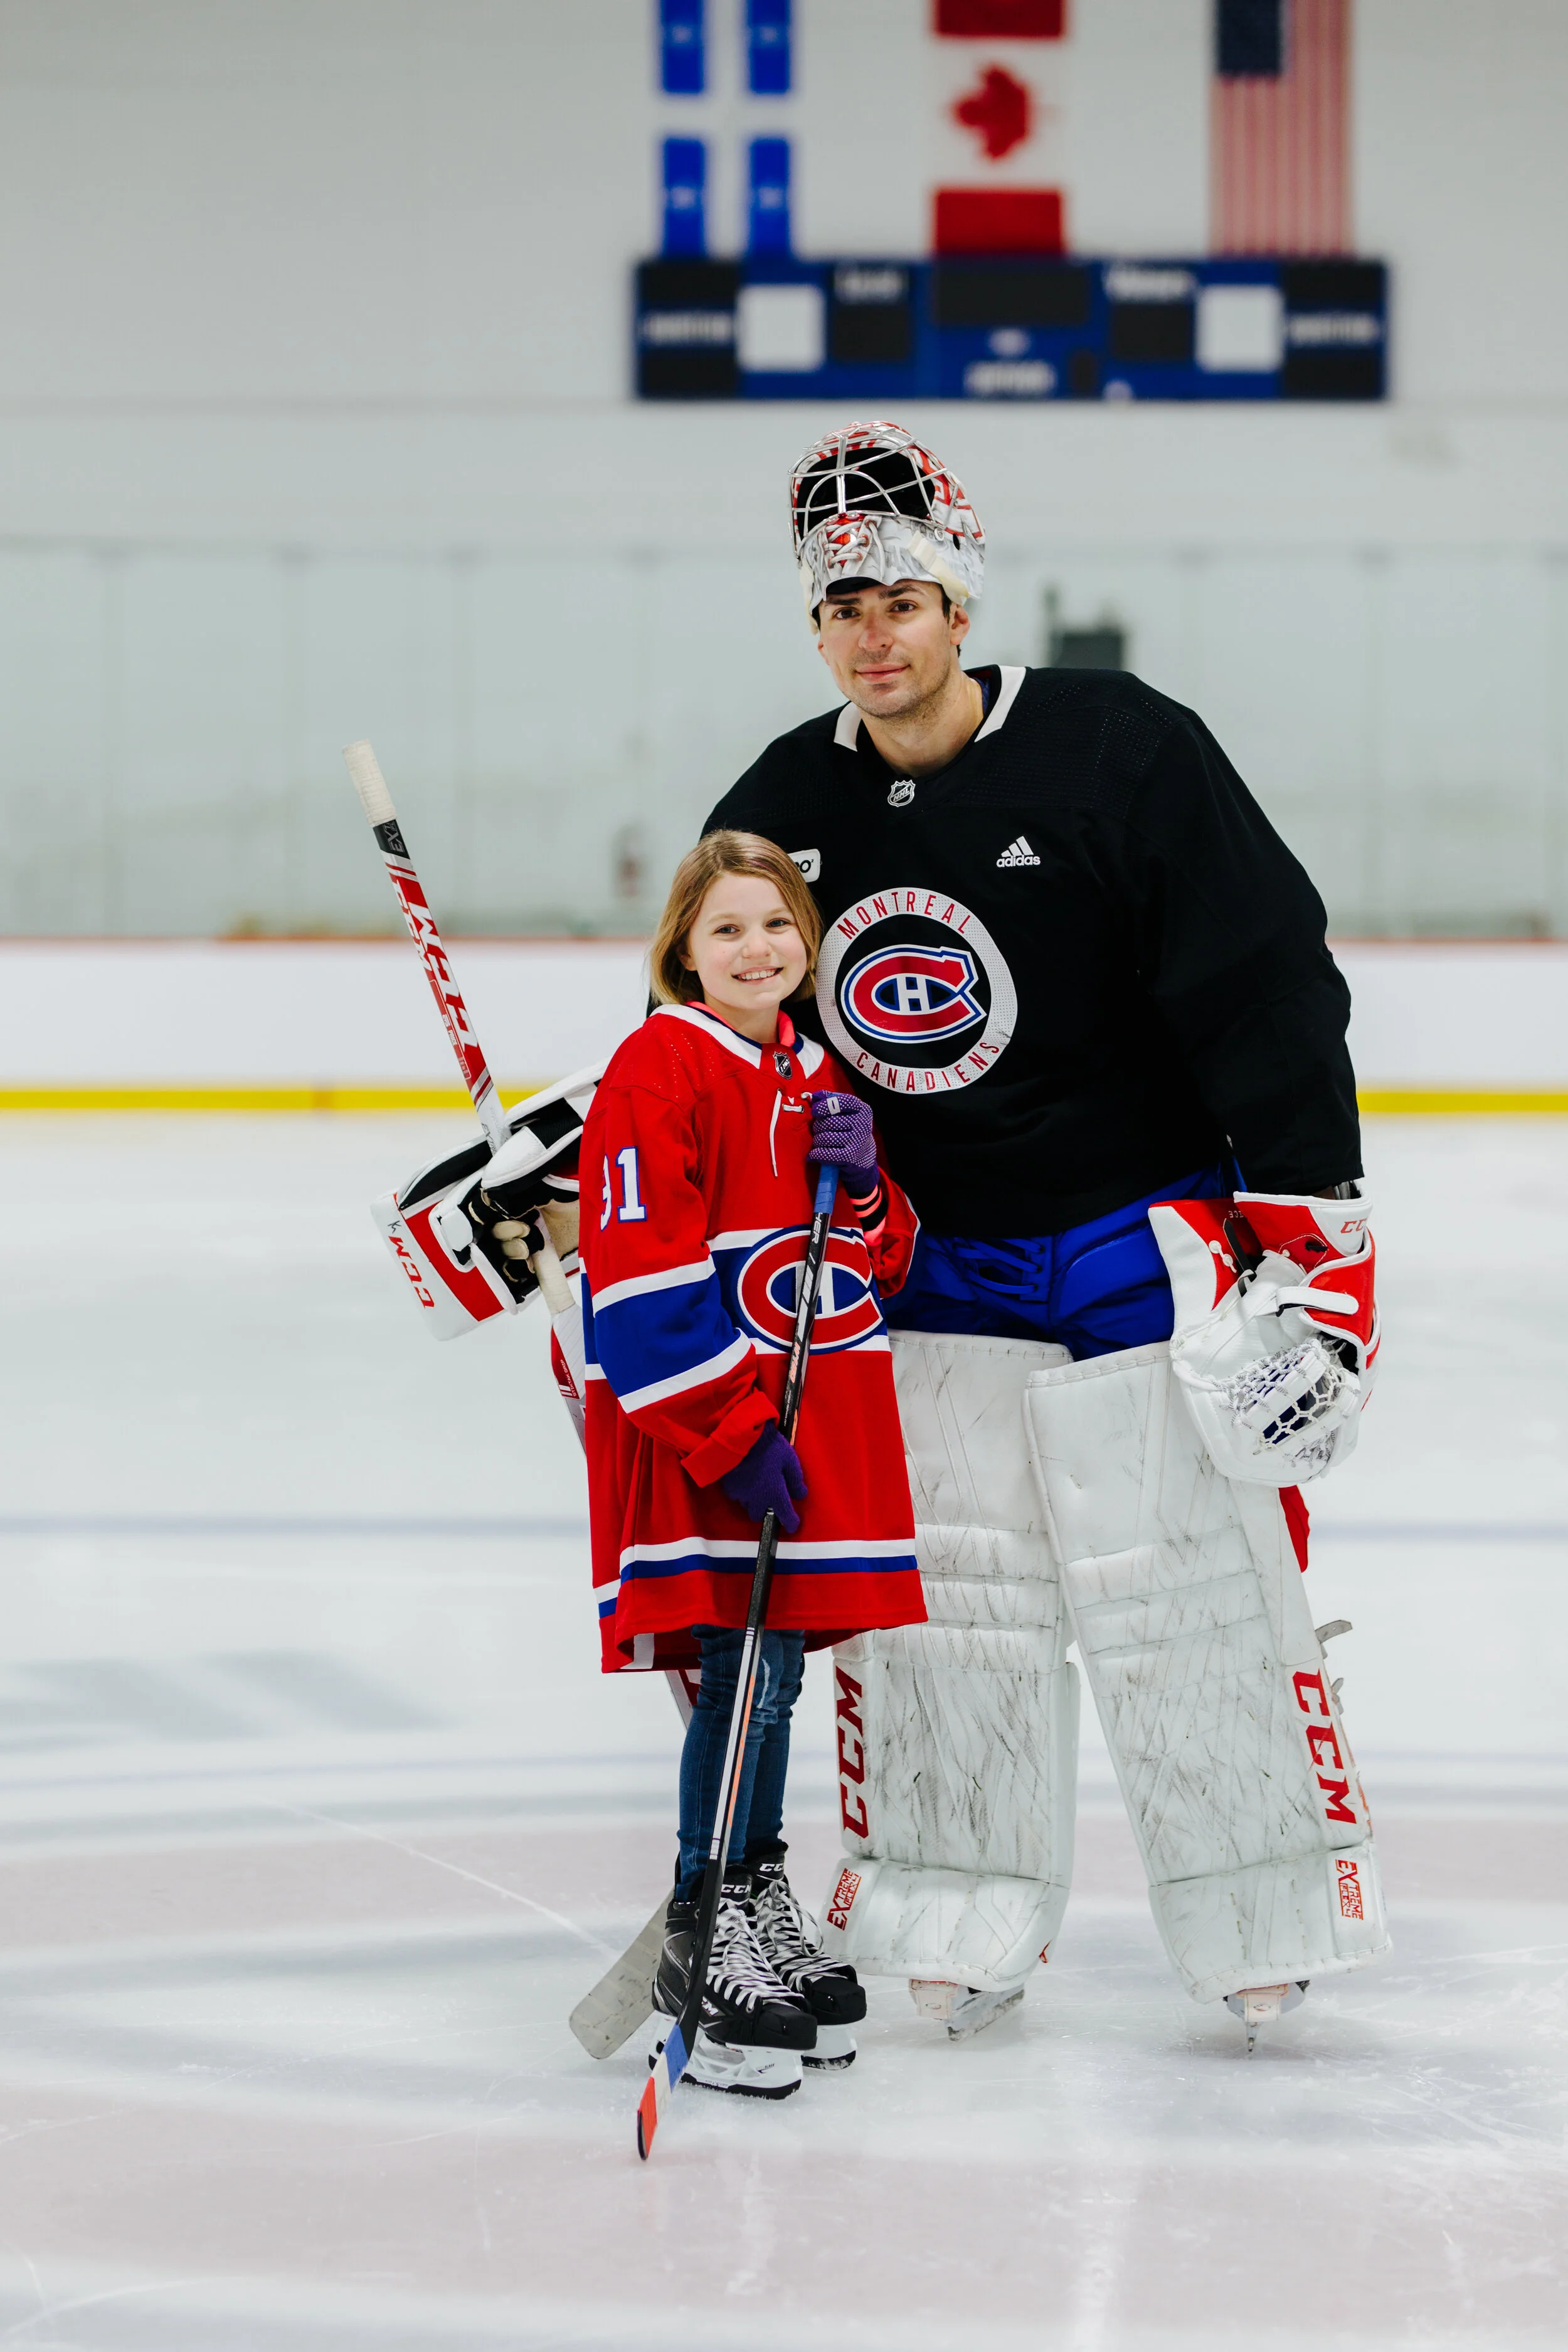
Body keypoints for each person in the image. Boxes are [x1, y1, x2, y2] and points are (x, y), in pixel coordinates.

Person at [698, 420, 1387, 2048]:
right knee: (952, 1595)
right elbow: (716, 1033)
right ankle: (960, 1896)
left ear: (958, 596)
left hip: (1125, 1232)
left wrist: (1316, 1250)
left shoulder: (1121, 751)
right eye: (839, 605)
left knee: (1188, 1588)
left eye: (901, 596)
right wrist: (632, 1217)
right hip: (924, 1258)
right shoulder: (785, 803)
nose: (873, 630)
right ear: (813, 626)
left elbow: (1267, 991)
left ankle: (1260, 1901)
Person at [576, 829, 927, 2098]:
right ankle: (702, 1922)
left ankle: (756, 1888)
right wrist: (725, 1438)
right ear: (683, 948)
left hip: (810, 1428)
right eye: (726, 928)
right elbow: (637, 1282)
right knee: (739, 1672)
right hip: (716, 1435)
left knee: (770, 1669)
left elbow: (871, 1270)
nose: (755, 948)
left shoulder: (814, 1071)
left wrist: (868, 1184)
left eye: (775, 923)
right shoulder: (659, 1065)